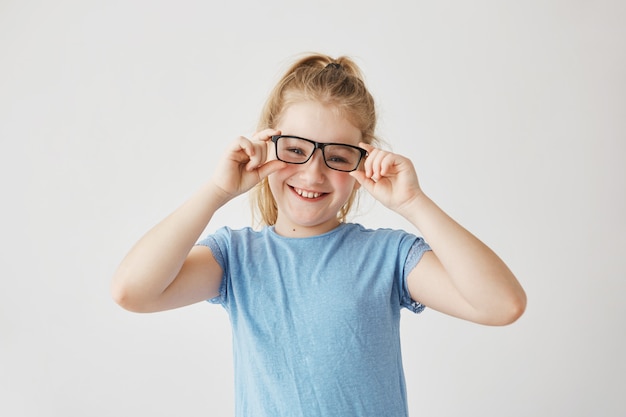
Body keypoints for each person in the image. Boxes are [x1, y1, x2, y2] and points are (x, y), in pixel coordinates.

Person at [112, 53, 526, 416]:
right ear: (267, 145)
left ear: (361, 162)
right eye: (295, 149)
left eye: (337, 156)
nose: (313, 173)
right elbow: (132, 291)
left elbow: (501, 305)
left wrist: (413, 202)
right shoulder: (235, 257)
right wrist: (216, 191)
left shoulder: (387, 257)